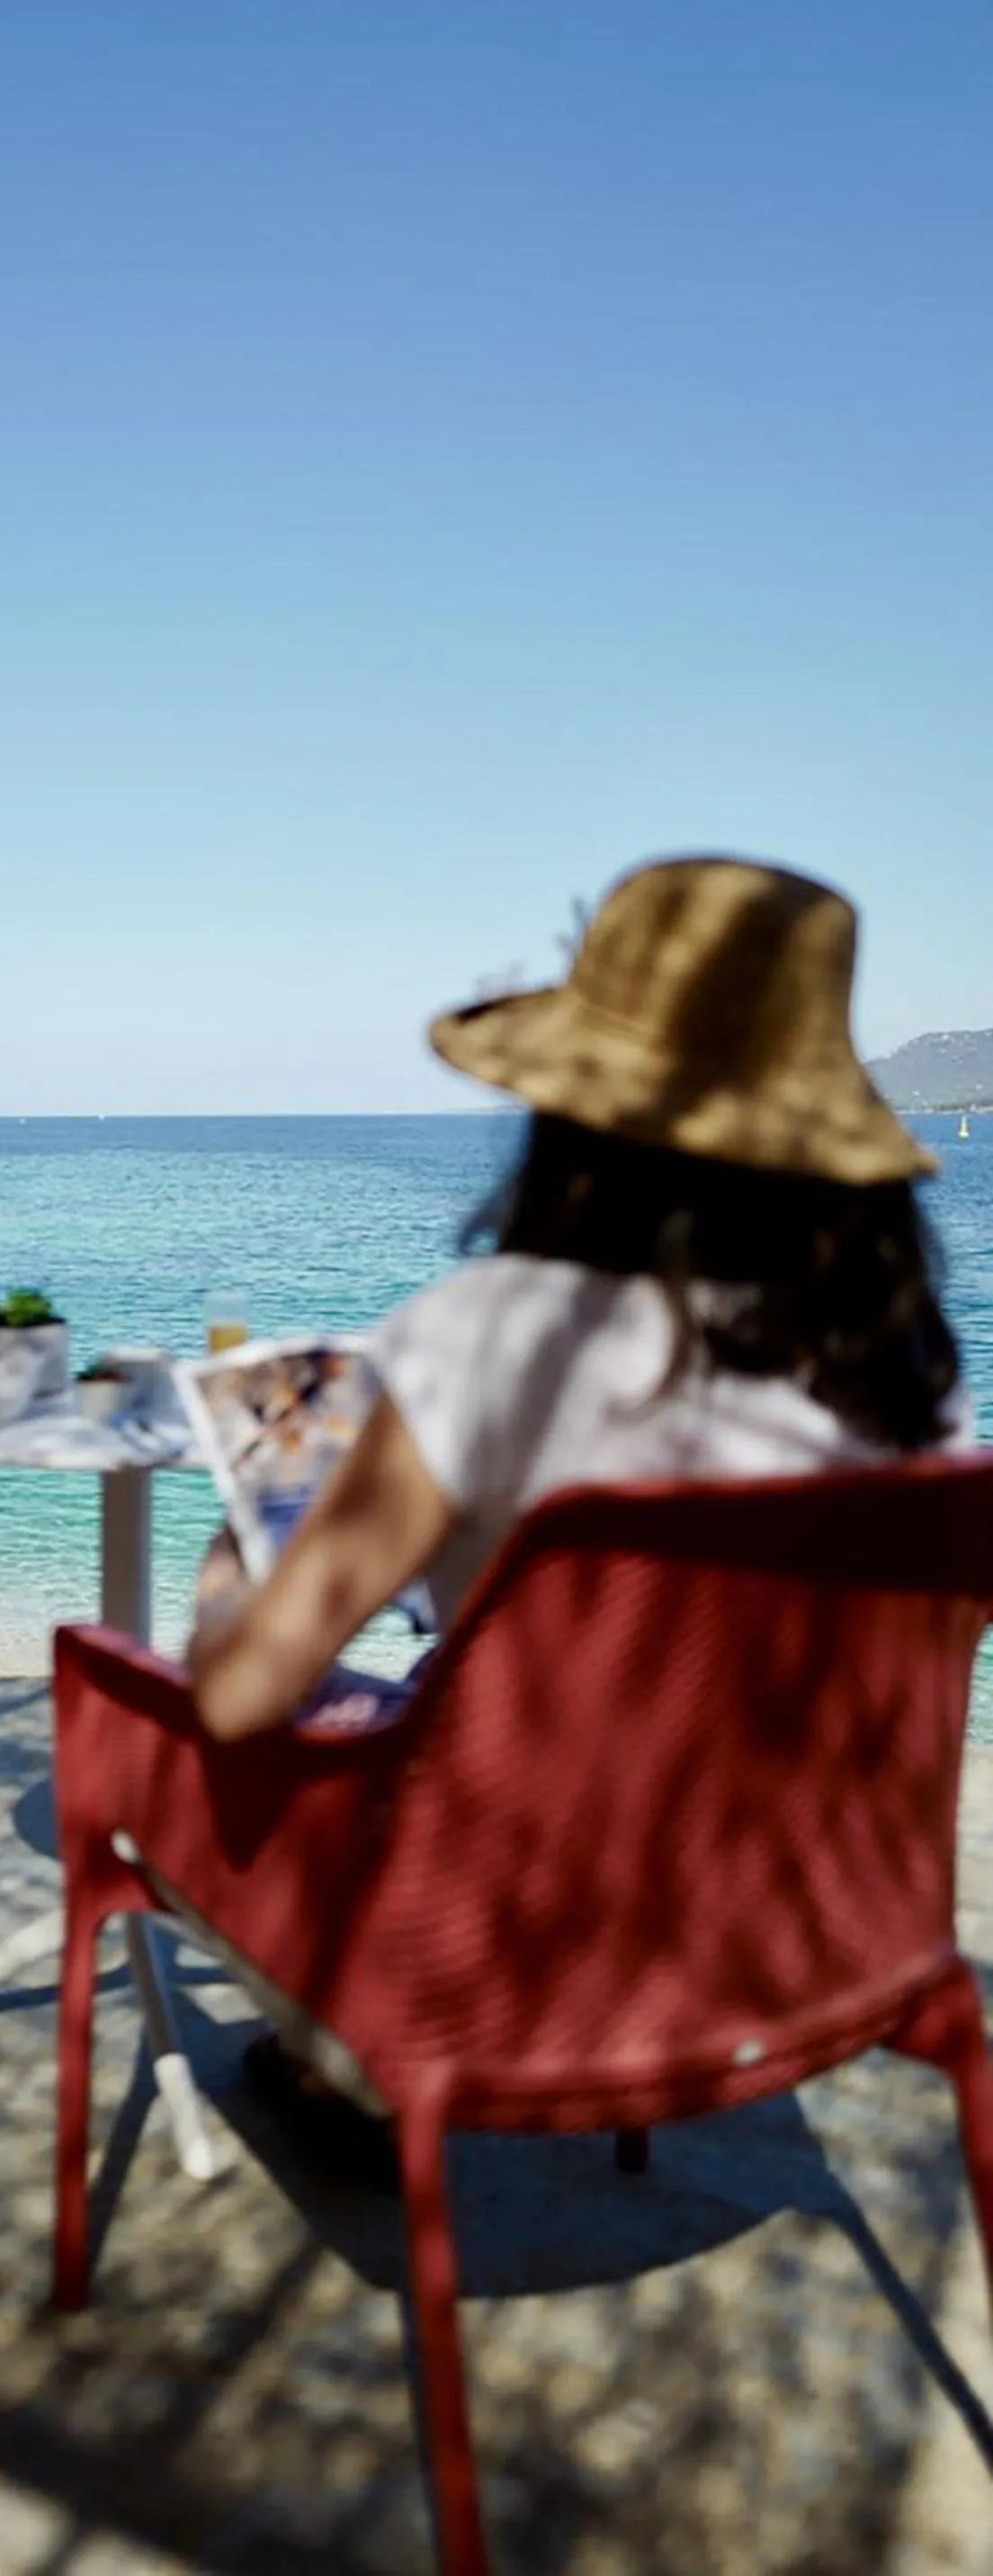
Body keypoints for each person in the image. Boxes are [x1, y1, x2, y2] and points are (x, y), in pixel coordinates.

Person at [188, 854, 976, 2163]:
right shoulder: (915, 1381)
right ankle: (337, 2077)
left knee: (217, 1716)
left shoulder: (496, 1334)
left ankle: (343, 2065)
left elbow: (239, 1698)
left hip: (510, 1944)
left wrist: (244, 1533)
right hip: (806, 1934)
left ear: (575, 1113)